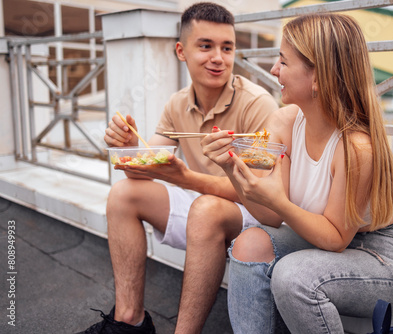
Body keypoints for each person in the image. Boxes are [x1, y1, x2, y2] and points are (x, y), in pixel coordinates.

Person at [202, 13, 393, 334]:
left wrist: (282, 203)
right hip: (326, 241)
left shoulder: (356, 148)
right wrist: (230, 166)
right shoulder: (285, 122)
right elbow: (270, 216)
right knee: (249, 243)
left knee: (294, 276)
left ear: (318, 76)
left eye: (283, 61)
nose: (274, 70)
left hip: (384, 256)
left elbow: (334, 238)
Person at [77, 2, 278, 334]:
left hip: (254, 214)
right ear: (181, 51)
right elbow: (144, 168)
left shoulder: (259, 104)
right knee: (124, 194)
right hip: (204, 202)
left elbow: (262, 195)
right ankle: (131, 321)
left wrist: (185, 178)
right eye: (206, 46)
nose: (218, 57)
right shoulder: (177, 103)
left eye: (227, 47)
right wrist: (127, 149)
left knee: (207, 209)